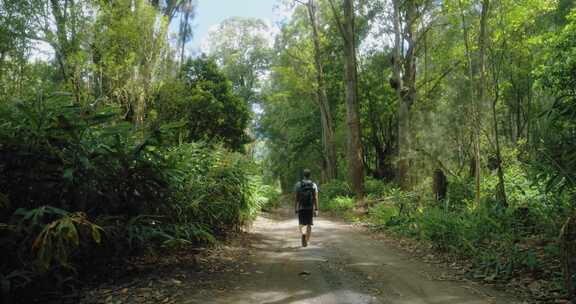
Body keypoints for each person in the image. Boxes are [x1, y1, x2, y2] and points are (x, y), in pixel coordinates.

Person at [294, 169, 319, 247]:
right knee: (309, 224)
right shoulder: (313, 184)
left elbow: (296, 197)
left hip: (301, 207)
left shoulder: (298, 184)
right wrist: (316, 209)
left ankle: (303, 234)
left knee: (302, 223)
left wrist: (295, 207)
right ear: (310, 175)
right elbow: (315, 197)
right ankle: (306, 240)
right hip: (309, 207)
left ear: (303, 175)